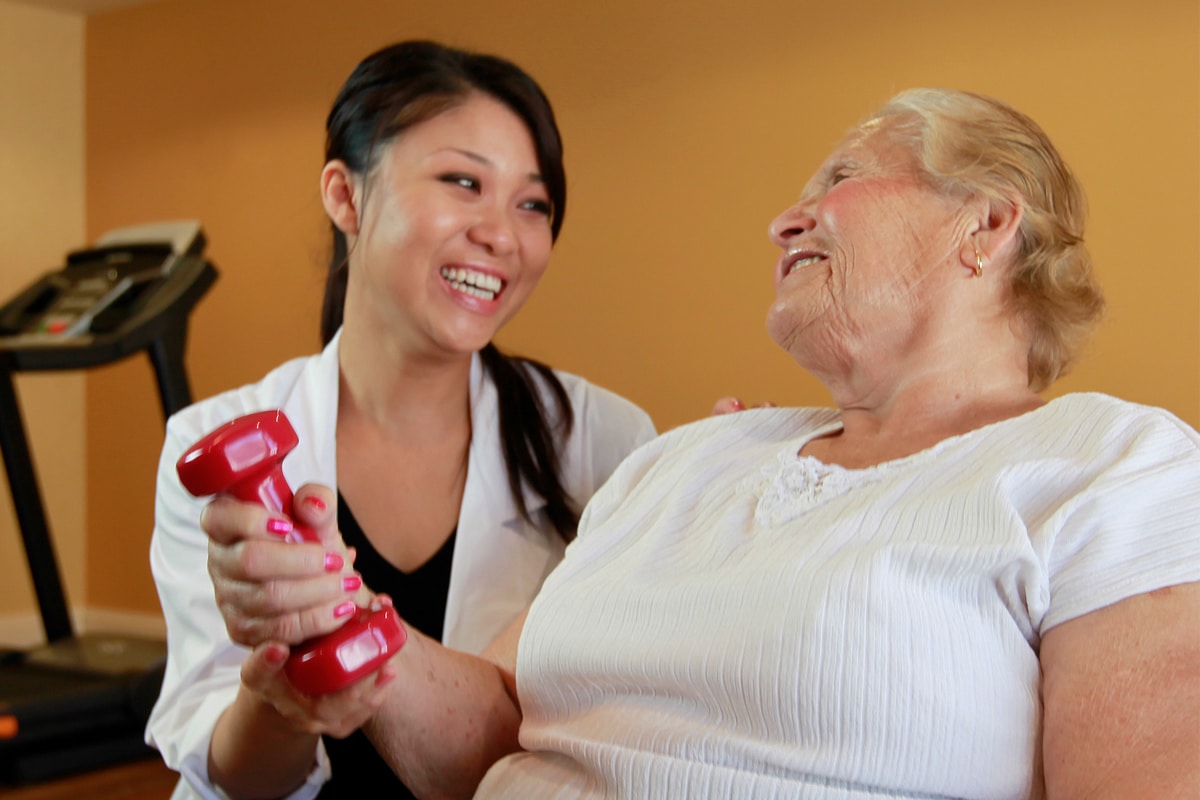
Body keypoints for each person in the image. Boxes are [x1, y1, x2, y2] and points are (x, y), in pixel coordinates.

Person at [201, 87, 1200, 799]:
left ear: (985, 224)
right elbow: (500, 725)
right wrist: (341, 615)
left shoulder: (1110, 466)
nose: (783, 219)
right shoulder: (686, 455)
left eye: (843, 175)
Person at [144, 40, 656, 800]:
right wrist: (281, 704)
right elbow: (232, 775)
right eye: (462, 182)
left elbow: (585, 744)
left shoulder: (606, 444)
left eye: (533, 204)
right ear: (346, 197)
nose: (503, 235)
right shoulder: (214, 441)